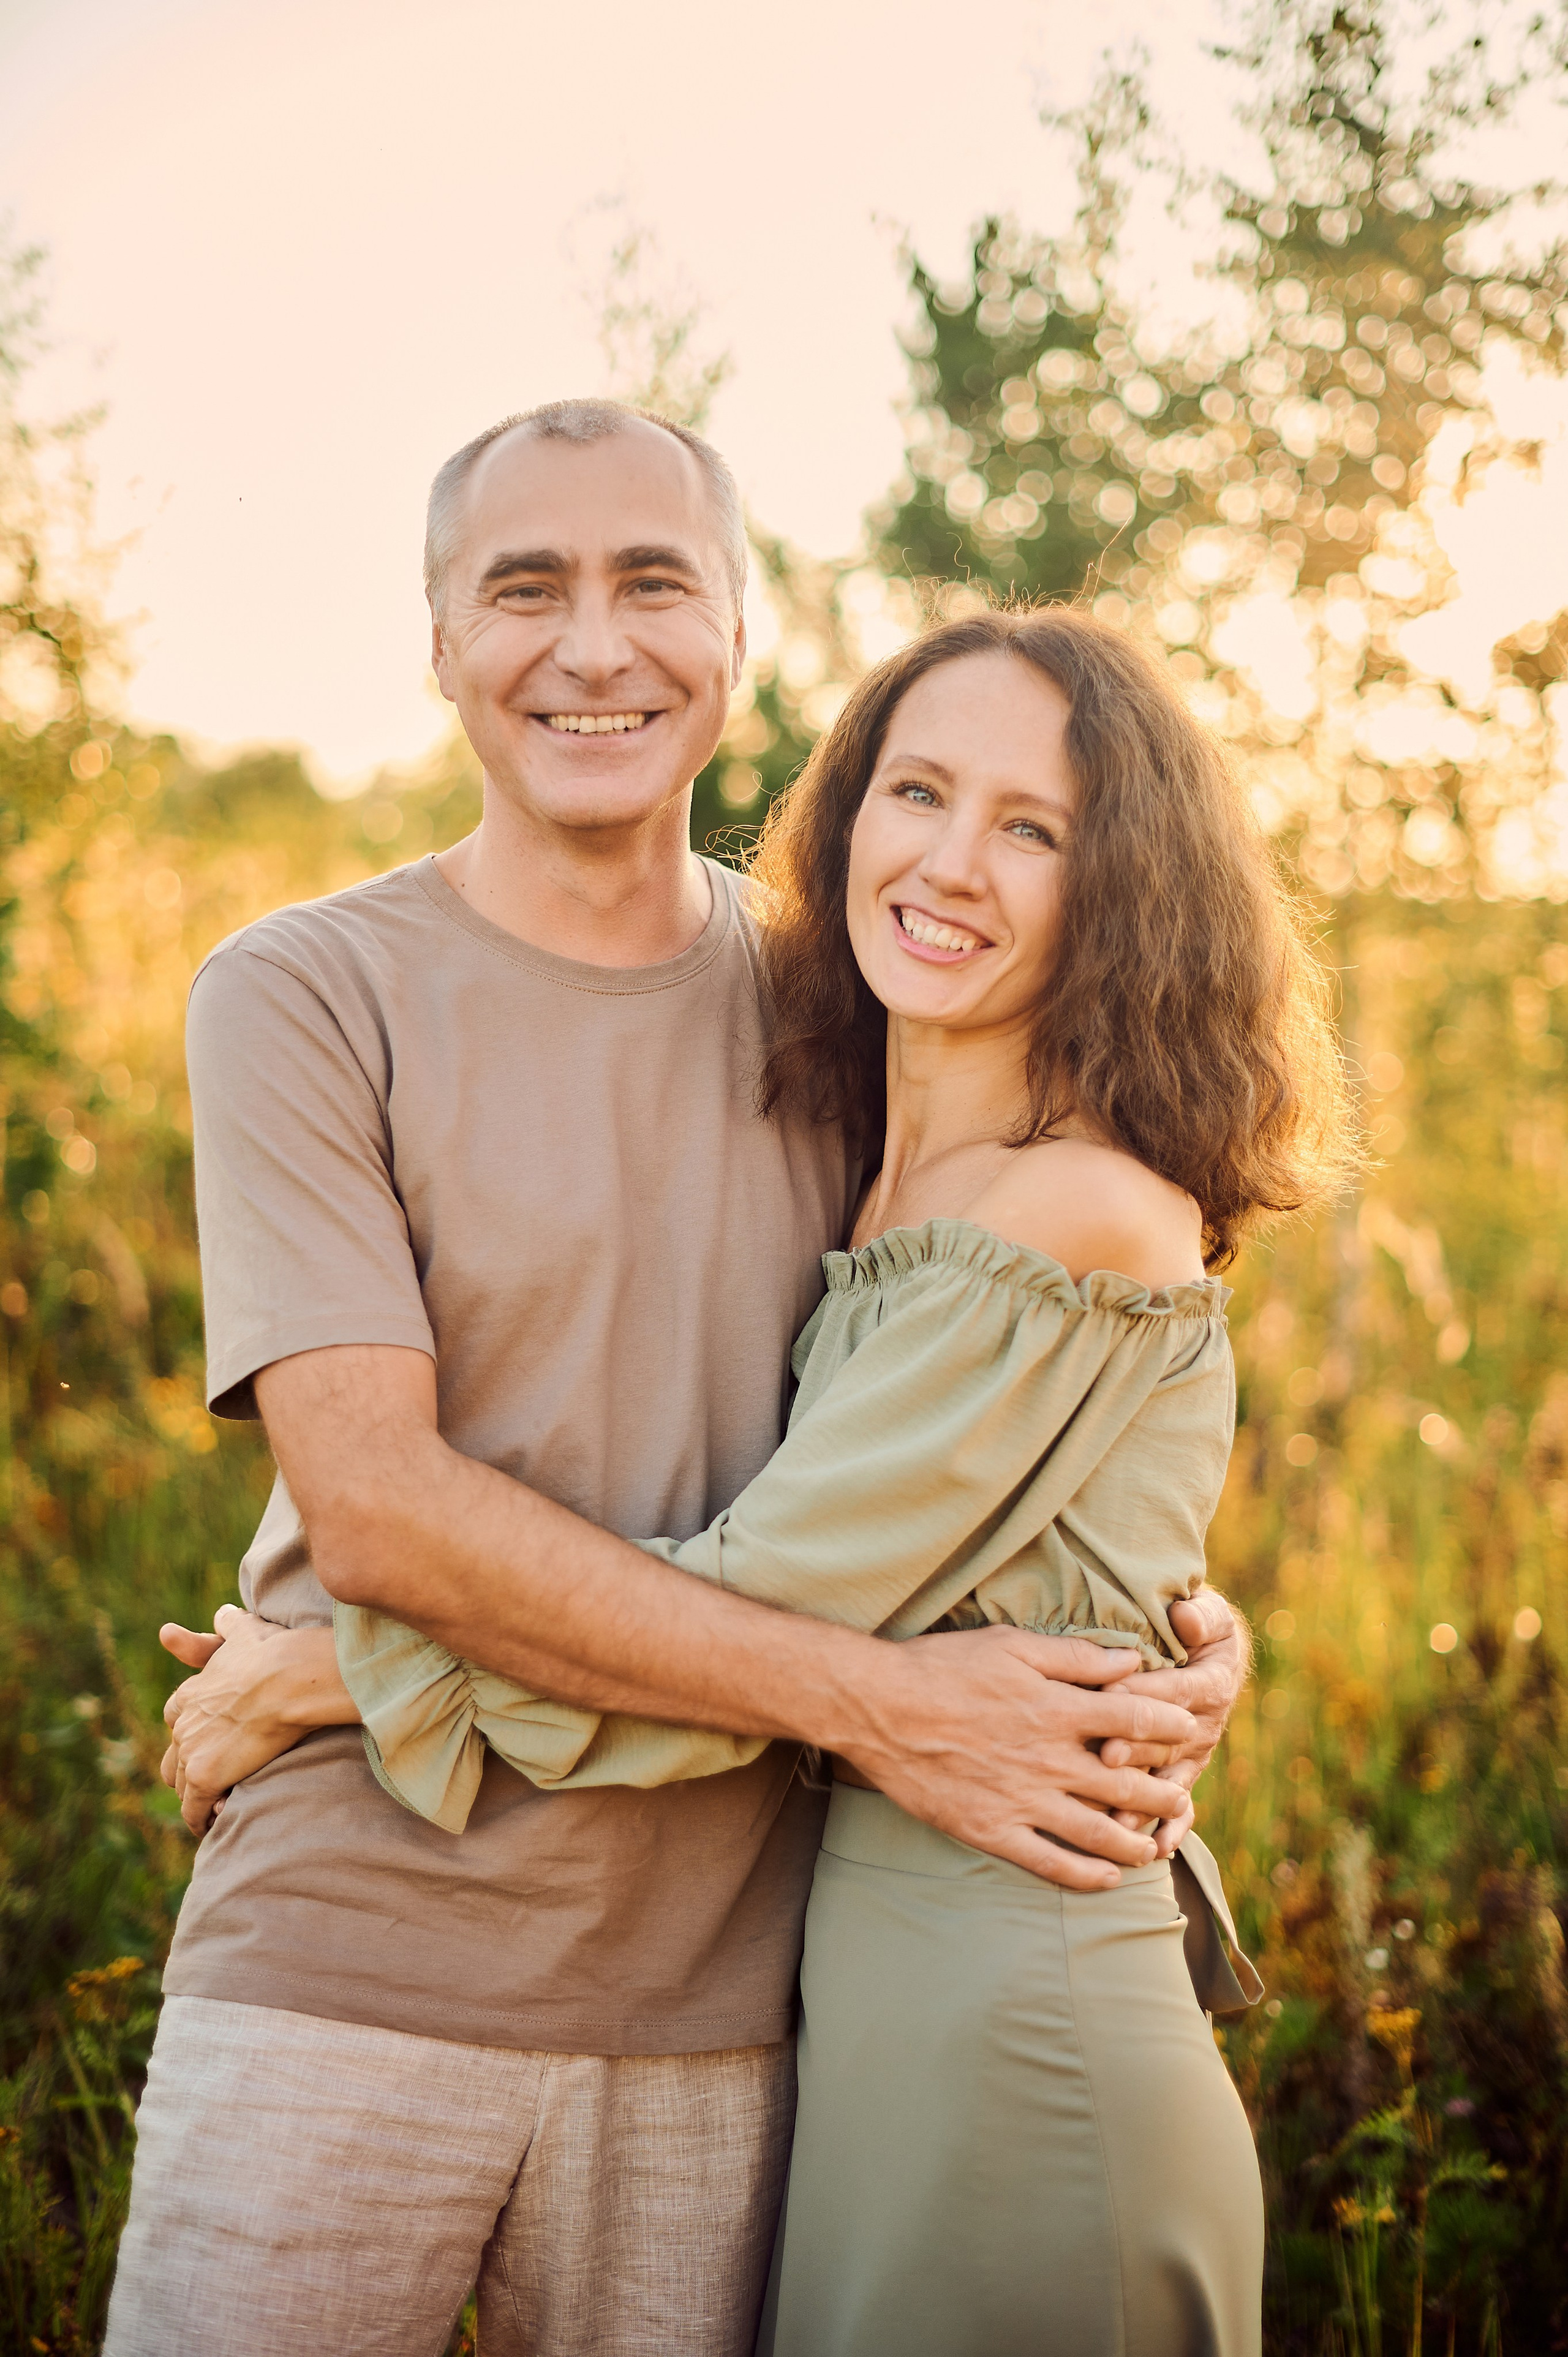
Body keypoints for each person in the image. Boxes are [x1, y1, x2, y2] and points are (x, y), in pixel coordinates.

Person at [115, 401, 1249, 2357]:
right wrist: (904, 1705)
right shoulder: (305, 993)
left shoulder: (846, 1009)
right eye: (524, 587)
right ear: (439, 638)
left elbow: (1006, 1446)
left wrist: (1177, 1652)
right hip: (342, 1961)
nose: (594, 646)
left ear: (739, 635)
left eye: (655, 582)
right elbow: (374, 1508)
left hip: (737, 2021)